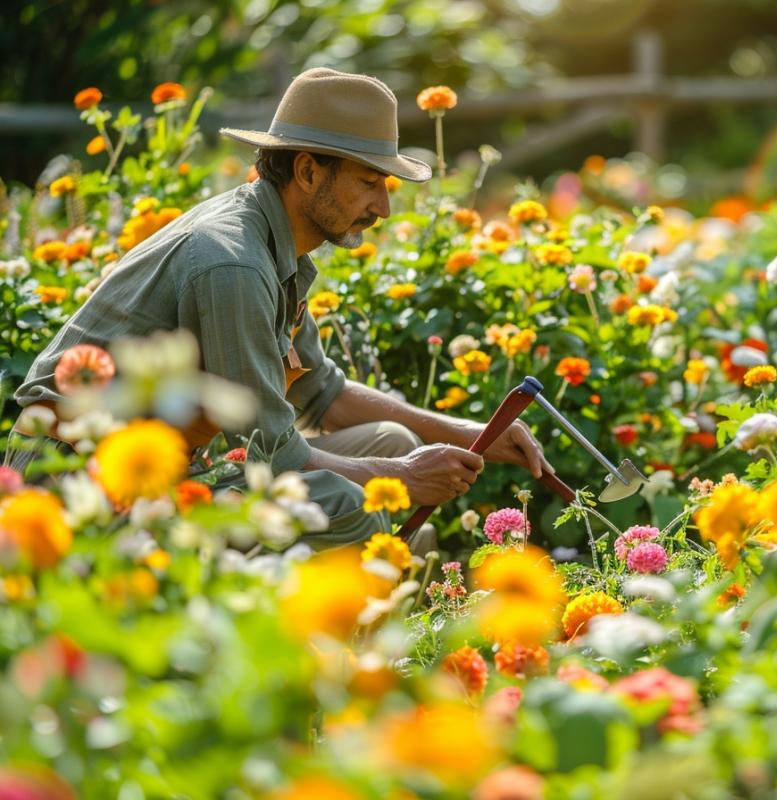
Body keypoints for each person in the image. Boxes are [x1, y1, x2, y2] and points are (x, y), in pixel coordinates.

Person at [10, 68, 553, 546]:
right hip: (78, 481)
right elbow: (270, 452)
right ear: (309, 172)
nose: (383, 208)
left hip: (167, 464)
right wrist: (402, 477)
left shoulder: (272, 243)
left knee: (390, 441)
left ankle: (366, 594)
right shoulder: (234, 264)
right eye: (369, 182)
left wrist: (465, 431)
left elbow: (323, 394)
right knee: (346, 505)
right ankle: (306, 648)